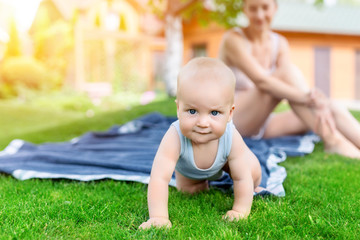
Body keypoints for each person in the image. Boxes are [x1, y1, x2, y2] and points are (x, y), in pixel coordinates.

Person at [218, 0, 360, 159]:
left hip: (264, 123)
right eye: (253, 9)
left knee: (331, 106)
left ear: (275, 8)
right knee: (285, 73)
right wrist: (309, 98)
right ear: (245, 10)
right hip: (234, 120)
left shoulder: (280, 43)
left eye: (265, 8)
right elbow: (263, 81)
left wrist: (318, 103)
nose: (259, 15)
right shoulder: (233, 39)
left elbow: (291, 85)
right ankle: (333, 141)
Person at [139, 57, 262, 229]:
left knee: (250, 170)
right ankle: (200, 182)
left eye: (214, 112)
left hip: (225, 161)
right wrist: (158, 217)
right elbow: (159, 178)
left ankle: (253, 186)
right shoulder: (174, 136)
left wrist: (240, 210)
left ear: (230, 114)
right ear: (178, 109)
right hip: (189, 172)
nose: (203, 122)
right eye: (192, 111)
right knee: (188, 191)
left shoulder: (230, 136)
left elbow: (242, 177)